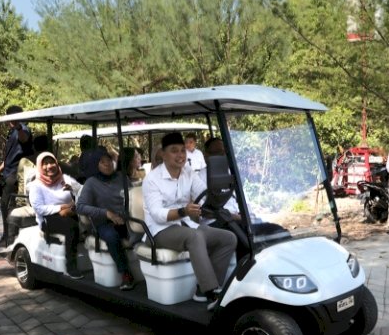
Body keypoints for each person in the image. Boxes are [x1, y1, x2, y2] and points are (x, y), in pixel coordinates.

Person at [143, 132, 237, 310]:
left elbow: (203, 193)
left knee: (228, 238)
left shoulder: (188, 172)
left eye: (182, 151)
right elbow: (156, 214)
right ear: (163, 154)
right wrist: (183, 211)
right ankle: (211, 291)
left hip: (187, 225)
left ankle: (204, 289)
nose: (180, 155)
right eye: (174, 151)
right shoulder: (152, 179)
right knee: (194, 237)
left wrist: (215, 198)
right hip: (159, 231)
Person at [77, 147, 135, 290]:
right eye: (103, 162)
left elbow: (133, 197)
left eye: (109, 161)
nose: (108, 164)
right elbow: (81, 207)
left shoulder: (122, 178)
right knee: (111, 236)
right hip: (104, 222)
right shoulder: (91, 183)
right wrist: (106, 213)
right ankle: (126, 274)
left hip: (125, 219)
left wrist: (125, 214)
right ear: (96, 165)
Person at [28, 151, 84, 277]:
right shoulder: (36, 185)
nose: (49, 166)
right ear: (39, 166)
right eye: (45, 164)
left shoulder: (65, 179)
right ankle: (70, 266)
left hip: (71, 212)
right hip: (48, 219)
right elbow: (39, 208)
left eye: (51, 162)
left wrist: (73, 189)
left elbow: (82, 190)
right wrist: (61, 208)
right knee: (72, 226)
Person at [0, 106, 33, 248]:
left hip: (15, 175)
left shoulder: (23, 129)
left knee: (7, 206)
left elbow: (24, 138)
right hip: (7, 173)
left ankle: (9, 239)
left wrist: (19, 127)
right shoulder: (11, 133)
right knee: (4, 206)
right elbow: (8, 158)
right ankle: (7, 236)